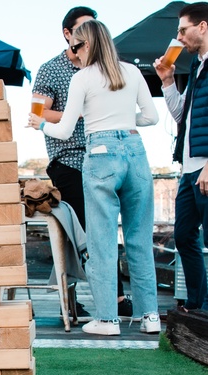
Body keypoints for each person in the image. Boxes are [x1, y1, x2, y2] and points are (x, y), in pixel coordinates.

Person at [28, 20, 160, 336]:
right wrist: (126, 121)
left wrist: (39, 124)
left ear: (87, 45)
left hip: (101, 153)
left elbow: (62, 128)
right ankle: (150, 317)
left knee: (101, 242)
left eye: (76, 47)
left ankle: (107, 320)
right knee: (139, 240)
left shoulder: (83, 78)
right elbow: (152, 117)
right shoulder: (131, 71)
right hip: (135, 150)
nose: (73, 53)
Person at [154, 2, 208, 313]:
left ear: (202, 27)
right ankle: (197, 305)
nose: (179, 38)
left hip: (205, 167)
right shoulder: (198, 68)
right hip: (189, 171)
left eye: (183, 30)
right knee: (184, 236)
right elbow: (181, 117)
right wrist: (167, 81)